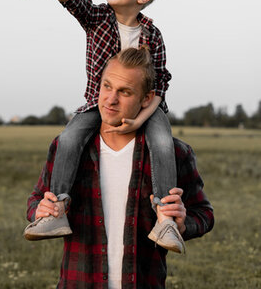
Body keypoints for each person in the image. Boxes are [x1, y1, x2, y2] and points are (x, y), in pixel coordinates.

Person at [14, 0, 183, 252]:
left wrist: (141, 119)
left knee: (163, 142)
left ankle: (165, 219)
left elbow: (160, 84)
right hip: (97, 103)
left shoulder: (152, 35)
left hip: (146, 108)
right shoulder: (97, 19)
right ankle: (57, 212)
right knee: (68, 138)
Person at [26, 48, 213, 288]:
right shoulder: (67, 149)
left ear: (147, 99)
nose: (110, 99)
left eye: (124, 92)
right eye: (107, 86)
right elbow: (34, 200)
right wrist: (40, 210)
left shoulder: (175, 154)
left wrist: (182, 223)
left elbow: (205, 214)